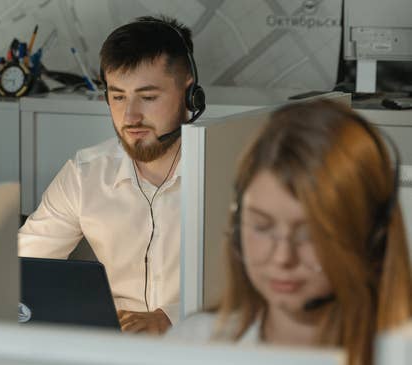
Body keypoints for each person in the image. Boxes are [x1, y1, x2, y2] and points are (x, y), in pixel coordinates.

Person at [168, 99, 412, 365]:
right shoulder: (194, 344)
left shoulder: (399, 354)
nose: (283, 257)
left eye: (310, 234)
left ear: (371, 237)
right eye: (262, 227)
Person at [18, 15, 205, 335]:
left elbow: (266, 287)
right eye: (118, 97)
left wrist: (172, 317)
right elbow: (23, 269)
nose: (130, 117)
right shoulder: (85, 174)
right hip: (111, 345)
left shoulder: (231, 171)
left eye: (148, 97)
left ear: (188, 90)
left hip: (206, 344)